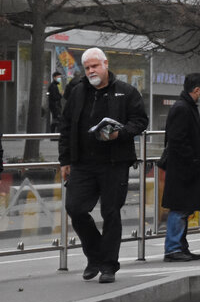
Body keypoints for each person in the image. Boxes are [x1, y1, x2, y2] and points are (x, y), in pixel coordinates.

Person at [58, 47, 148, 283]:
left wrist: (121, 134)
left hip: (114, 163)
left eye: (95, 66)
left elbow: (140, 120)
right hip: (83, 163)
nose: (91, 71)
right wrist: (65, 160)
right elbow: (66, 127)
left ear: (106, 64)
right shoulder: (77, 92)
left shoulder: (126, 91)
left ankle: (108, 265)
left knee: (111, 213)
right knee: (75, 208)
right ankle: (95, 255)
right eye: (87, 68)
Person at [161, 73, 200, 262]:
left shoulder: (186, 107)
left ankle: (180, 247)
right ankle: (173, 248)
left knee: (184, 208)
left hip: (185, 168)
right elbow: (178, 140)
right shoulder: (183, 108)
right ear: (197, 89)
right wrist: (193, 161)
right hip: (183, 170)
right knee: (180, 208)